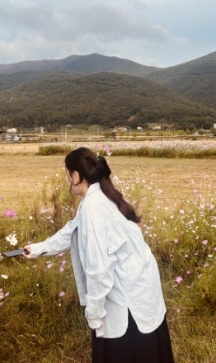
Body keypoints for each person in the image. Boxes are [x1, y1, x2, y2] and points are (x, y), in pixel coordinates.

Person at [24, 146, 175, 363]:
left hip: (128, 301)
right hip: (141, 288)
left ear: (76, 176)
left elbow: (99, 269)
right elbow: (72, 230)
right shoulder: (102, 196)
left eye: (67, 173)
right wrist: (37, 249)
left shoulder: (94, 208)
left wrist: (94, 315)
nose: (66, 179)